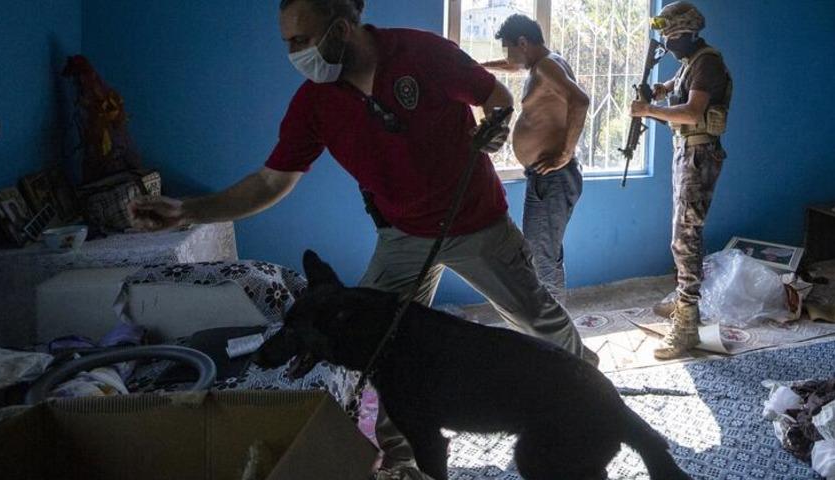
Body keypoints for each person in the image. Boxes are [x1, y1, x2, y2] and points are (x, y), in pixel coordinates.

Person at [129, 0, 596, 477]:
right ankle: (402, 460)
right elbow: (270, 182)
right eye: (288, 42)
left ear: (342, 28)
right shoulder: (314, 103)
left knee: (538, 320)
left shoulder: (422, 52)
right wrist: (188, 211)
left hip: (476, 222)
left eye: (301, 40)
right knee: (378, 345)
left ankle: (590, 398)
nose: (293, 54)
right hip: (402, 237)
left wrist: (494, 124)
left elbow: (495, 94)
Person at [630, 1, 732, 360]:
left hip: (699, 154)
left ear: (687, 34)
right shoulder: (690, 62)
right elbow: (673, 89)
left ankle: (687, 323)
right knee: (682, 235)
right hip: (687, 151)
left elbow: (691, 112)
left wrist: (648, 110)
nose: (667, 47)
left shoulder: (706, 62)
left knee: (685, 237)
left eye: (671, 39)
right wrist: (657, 92)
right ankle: (685, 303)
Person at [482, 14, 589, 304]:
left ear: (522, 43)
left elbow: (581, 100)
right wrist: (479, 67)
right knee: (544, 252)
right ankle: (554, 322)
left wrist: (564, 153)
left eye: (508, 49)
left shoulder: (546, 67)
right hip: (545, 177)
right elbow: (513, 65)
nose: (508, 57)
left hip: (553, 177)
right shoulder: (543, 63)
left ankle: (553, 328)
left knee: (542, 257)